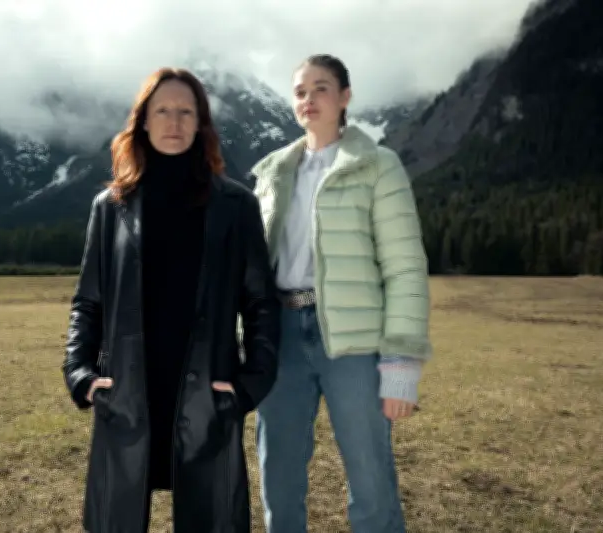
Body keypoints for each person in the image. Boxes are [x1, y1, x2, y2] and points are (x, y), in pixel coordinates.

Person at [62, 67, 281, 533]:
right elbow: (88, 302)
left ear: (201, 122)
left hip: (207, 397)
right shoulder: (111, 207)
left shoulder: (236, 206)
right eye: (162, 110)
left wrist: (249, 385)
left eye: (186, 111)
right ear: (143, 121)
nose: (174, 122)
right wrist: (80, 375)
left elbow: (261, 304)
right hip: (128, 395)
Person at [249, 54, 433, 533]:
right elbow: (252, 270)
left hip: (355, 342)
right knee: (277, 473)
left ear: (345, 97)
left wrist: (401, 362)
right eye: (300, 91)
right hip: (281, 337)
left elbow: (405, 267)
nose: (309, 99)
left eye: (321, 88)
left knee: (370, 477)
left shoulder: (378, 166)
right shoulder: (272, 174)